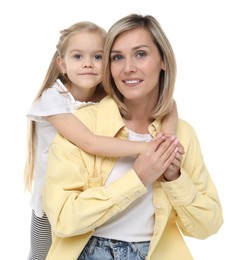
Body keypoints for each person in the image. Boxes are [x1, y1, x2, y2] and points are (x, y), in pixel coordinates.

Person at [42, 14, 223, 260]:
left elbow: (208, 226)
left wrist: (174, 178)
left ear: (163, 61)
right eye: (117, 57)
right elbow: (63, 220)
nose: (128, 67)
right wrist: (138, 178)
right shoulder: (82, 125)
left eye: (140, 54)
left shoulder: (182, 133)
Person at [24, 20, 178, 260]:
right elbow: (90, 142)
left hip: (89, 196)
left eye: (97, 57)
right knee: (42, 255)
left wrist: (168, 141)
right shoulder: (52, 99)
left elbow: (169, 105)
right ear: (62, 64)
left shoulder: (105, 96)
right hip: (51, 199)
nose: (87, 63)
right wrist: (149, 148)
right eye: (77, 57)